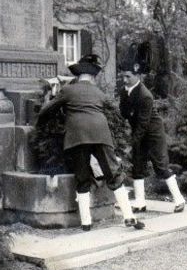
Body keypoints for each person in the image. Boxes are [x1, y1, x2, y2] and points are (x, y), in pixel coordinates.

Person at [37, 54, 145, 231]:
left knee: (82, 176)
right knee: (113, 173)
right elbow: (114, 111)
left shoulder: (68, 91)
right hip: (100, 134)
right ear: (93, 77)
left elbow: (45, 112)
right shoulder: (99, 93)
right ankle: (129, 216)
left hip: (77, 136)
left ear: (78, 76)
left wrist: (49, 97)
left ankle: (86, 222)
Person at [119, 59, 186, 213]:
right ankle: (140, 202)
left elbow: (143, 124)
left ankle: (179, 200)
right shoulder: (124, 91)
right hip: (139, 132)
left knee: (161, 167)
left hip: (153, 133)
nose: (125, 80)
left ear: (138, 76)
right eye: (123, 76)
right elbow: (124, 113)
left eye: (128, 76)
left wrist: (131, 144)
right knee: (137, 165)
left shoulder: (145, 95)